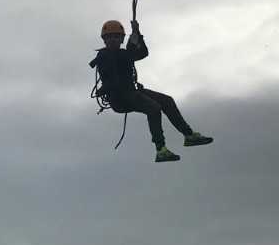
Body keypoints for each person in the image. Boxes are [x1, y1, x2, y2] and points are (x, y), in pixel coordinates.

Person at [90, 18, 213, 163]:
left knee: (166, 101)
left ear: (121, 39)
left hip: (131, 93)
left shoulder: (123, 54)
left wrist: (137, 33)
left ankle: (189, 135)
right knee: (153, 108)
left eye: (116, 37)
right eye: (110, 37)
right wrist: (134, 38)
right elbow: (119, 66)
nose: (113, 40)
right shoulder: (104, 57)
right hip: (120, 98)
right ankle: (160, 149)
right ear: (104, 40)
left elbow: (142, 53)